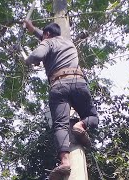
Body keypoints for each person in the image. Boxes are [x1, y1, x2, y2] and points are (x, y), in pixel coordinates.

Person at [23, 20, 99, 177]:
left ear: (47, 35)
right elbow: (45, 37)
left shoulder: (47, 42)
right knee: (92, 117)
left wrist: (29, 60)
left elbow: (38, 53)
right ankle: (80, 125)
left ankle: (65, 162)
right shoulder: (68, 42)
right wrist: (32, 30)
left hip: (58, 86)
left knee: (60, 125)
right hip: (78, 82)